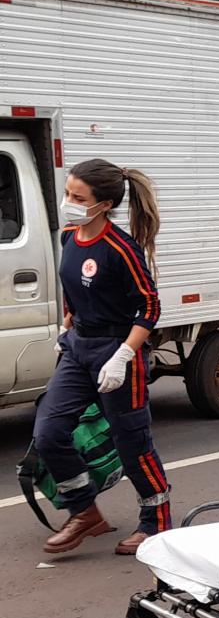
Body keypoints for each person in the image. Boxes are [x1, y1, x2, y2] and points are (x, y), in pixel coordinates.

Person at [33, 159, 172, 555]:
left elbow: (149, 307)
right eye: (68, 194)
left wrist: (125, 354)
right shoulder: (70, 238)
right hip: (79, 348)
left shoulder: (120, 249)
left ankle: (157, 521)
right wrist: (67, 324)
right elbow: (75, 288)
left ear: (105, 203)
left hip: (116, 352)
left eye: (79, 198)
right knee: (48, 433)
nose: (69, 203)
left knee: (133, 443)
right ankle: (85, 512)